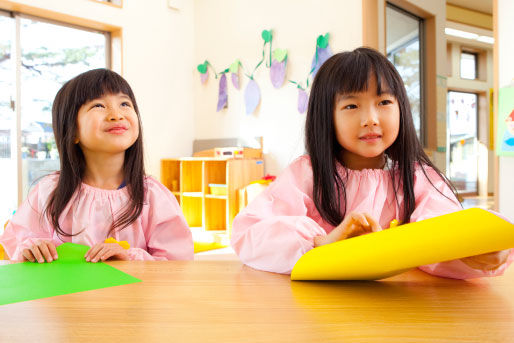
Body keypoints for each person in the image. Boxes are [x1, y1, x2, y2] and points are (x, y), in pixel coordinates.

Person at [231, 47, 512, 278]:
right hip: (317, 308)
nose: (371, 119)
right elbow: (248, 233)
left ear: (401, 107)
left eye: (384, 102)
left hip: (397, 310)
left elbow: (444, 231)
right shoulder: (308, 174)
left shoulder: (418, 178)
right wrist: (320, 242)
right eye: (352, 106)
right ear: (326, 116)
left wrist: (475, 251)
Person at [0, 69, 193, 262]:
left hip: (134, 293)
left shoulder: (152, 196)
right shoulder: (49, 192)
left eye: (125, 103)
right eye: (99, 105)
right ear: (72, 130)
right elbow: (18, 241)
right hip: (68, 293)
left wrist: (129, 259)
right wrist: (32, 249)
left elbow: (178, 264)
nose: (116, 114)